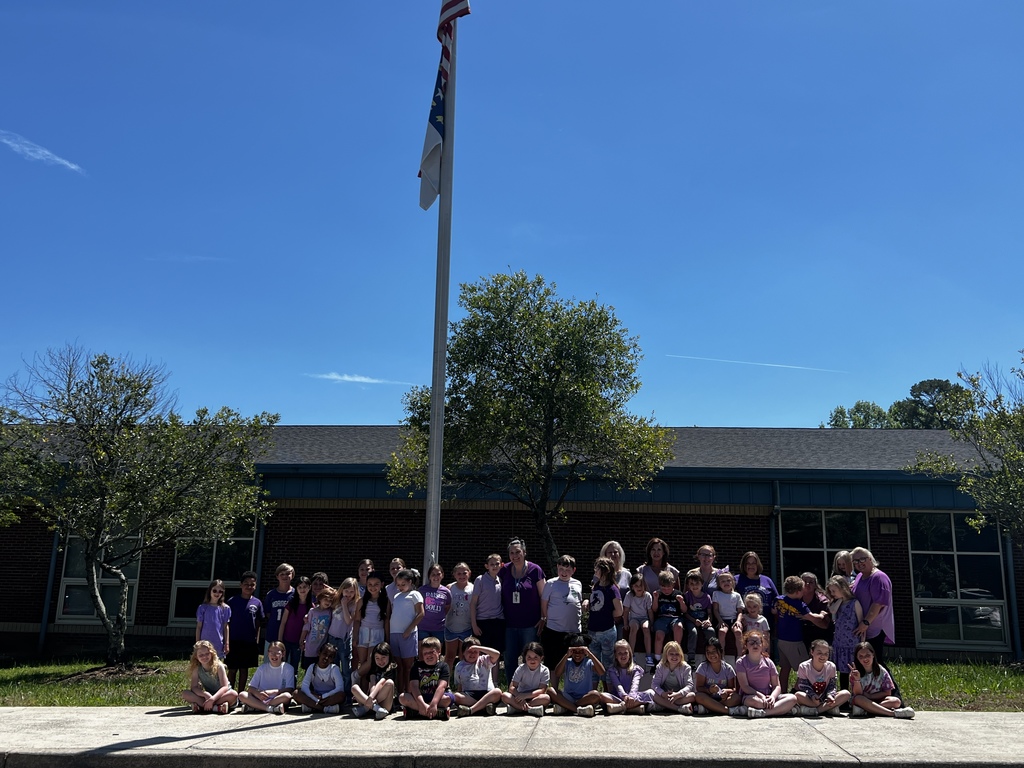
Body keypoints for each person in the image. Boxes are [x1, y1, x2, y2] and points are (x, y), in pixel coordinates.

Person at [500, 537, 545, 673]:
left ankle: (530, 689)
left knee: (530, 658)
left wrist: (544, 617)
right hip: (509, 624)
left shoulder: (535, 570)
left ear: (524, 552)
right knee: (509, 658)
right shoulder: (504, 570)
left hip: (530, 624)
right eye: (512, 553)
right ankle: (511, 689)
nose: (515, 556)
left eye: (518, 552)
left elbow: (544, 596)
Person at [735, 629, 798, 718]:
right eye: (751, 642)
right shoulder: (741, 662)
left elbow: (776, 685)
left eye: (757, 642)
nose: (755, 645)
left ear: (762, 645)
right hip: (751, 696)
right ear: (746, 645)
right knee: (756, 702)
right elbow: (745, 687)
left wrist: (772, 697)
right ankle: (781, 709)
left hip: (768, 695)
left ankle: (763, 713)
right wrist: (760, 695)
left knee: (792, 698)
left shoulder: (768, 662)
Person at [848, 641, 915, 719]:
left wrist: (871, 696)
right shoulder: (855, 672)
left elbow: (887, 692)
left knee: (896, 701)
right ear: (857, 658)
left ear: (873, 655)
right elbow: (857, 694)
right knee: (858, 699)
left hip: (877, 700)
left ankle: (867, 710)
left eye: (867, 655)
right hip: (862, 701)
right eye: (861, 656)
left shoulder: (881, 670)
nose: (865, 659)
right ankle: (892, 713)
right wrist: (857, 680)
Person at [851, 547, 894, 662]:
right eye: (855, 561)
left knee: (875, 663)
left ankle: (888, 681)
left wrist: (865, 622)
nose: (859, 563)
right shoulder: (860, 576)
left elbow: (878, 603)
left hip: (875, 627)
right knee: (865, 663)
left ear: (870, 559)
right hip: (863, 628)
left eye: (862, 559)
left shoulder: (878, 577)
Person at [540, 554, 583, 669]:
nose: (564, 573)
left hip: (574, 630)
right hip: (555, 629)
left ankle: (572, 685)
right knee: (553, 662)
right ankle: (554, 686)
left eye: (567, 570)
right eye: (561, 569)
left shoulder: (578, 584)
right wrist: (545, 618)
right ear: (557, 568)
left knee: (574, 663)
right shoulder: (551, 583)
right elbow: (544, 603)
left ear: (573, 570)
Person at [585, 557, 622, 686]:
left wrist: (607, 613)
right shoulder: (595, 586)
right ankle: (593, 692)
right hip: (593, 630)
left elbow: (619, 610)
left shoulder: (612, 589)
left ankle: (608, 691)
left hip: (606, 630)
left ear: (605, 571)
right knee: (593, 662)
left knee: (608, 663)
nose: (595, 571)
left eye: (597, 568)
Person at [469, 553, 505, 687]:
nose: (495, 566)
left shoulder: (501, 580)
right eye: (492, 564)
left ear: (501, 565)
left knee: (495, 655)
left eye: (497, 564)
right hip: (482, 622)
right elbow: (473, 603)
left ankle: (494, 683)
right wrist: (474, 624)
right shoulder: (480, 580)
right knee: (481, 655)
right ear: (486, 566)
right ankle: (479, 683)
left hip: (498, 621)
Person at [547, 635, 604, 717]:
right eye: (575, 651)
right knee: (550, 691)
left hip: (584, 698)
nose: (577, 654)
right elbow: (557, 673)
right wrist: (566, 655)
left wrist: (590, 654)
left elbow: (601, 672)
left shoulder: (588, 662)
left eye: (581, 651)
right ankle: (577, 710)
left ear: (585, 652)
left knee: (595, 695)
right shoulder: (567, 662)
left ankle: (567, 707)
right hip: (569, 696)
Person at [226, 570, 264, 693]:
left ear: (255, 586)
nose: (249, 586)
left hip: (248, 641)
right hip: (233, 640)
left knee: (244, 669)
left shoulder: (257, 603)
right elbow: (226, 622)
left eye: (252, 584)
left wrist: (256, 639)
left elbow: (258, 622)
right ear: (240, 585)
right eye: (246, 583)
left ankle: (240, 694)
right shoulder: (232, 601)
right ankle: (229, 693)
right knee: (232, 669)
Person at [389, 567, 425, 697]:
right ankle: (399, 693)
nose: (400, 587)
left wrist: (409, 630)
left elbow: (421, 613)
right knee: (398, 666)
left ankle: (409, 693)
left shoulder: (415, 594)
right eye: (398, 585)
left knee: (408, 666)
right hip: (394, 633)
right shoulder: (396, 595)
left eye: (403, 584)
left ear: (410, 582)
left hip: (408, 634)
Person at [400, 636, 454, 720]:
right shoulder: (416, 666)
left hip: (438, 697)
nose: (428, 655)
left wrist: (434, 703)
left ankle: (416, 712)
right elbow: (414, 686)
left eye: (431, 652)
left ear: (439, 652)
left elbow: (442, 686)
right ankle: (436, 712)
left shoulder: (444, 666)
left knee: (447, 699)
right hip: (421, 696)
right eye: (425, 653)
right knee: (402, 697)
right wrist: (421, 704)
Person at [775, 575, 811, 693]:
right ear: (797, 591)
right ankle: (796, 691)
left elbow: (773, 610)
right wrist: (822, 615)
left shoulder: (778, 599)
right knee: (806, 668)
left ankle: (782, 692)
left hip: (781, 640)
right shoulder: (800, 605)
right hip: (794, 641)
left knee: (785, 668)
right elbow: (811, 617)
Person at [794, 639, 849, 716]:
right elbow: (803, 685)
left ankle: (816, 711)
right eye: (819, 653)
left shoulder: (831, 666)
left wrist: (830, 695)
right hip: (811, 698)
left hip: (825, 698)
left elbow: (832, 685)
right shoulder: (804, 666)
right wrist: (812, 695)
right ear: (812, 652)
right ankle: (827, 708)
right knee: (798, 695)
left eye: (826, 654)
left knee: (846, 694)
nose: (823, 656)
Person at [826, 574, 863, 689]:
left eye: (834, 590)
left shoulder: (854, 603)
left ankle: (856, 694)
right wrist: (839, 599)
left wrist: (862, 642)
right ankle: (844, 694)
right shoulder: (838, 603)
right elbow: (832, 610)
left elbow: (861, 621)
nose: (832, 594)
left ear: (843, 589)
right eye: (831, 591)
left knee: (854, 669)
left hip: (852, 642)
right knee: (843, 671)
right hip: (840, 642)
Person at [181, 639, 237, 714]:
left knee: (233, 694)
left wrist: (213, 699)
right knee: (185, 693)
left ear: (212, 653)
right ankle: (216, 708)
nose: (204, 657)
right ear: (196, 657)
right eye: (201, 655)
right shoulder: (197, 668)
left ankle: (203, 707)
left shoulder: (219, 666)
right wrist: (204, 694)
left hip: (222, 695)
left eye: (207, 654)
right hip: (208, 696)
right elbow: (194, 687)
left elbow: (225, 687)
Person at [238, 641, 294, 714]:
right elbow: (251, 688)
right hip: (261, 698)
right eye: (271, 653)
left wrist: (274, 692)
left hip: (277, 698)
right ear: (268, 653)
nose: (274, 656)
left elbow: (289, 689)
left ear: (283, 654)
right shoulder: (262, 668)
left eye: (277, 653)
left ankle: (256, 707)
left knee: (287, 696)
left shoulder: (288, 668)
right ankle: (269, 708)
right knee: (242, 695)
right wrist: (258, 694)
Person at [452, 636, 502, 717]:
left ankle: (471, 710)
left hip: (487, 693)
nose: (472, 654)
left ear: (479, 652)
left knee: (498, 692)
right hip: (470, 695)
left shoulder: (484, 660)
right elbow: (459, 685)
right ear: (463, 652)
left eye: (475, 651)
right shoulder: (459, 666)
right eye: (469, 651)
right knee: (456, 696)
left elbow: (497, 654)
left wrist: (479, 647)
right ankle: (484, 707)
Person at [327, 577, 359, 697]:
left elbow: (348, 621)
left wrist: (345, 605)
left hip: (344, 640)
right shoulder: (336, 600)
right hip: (332, 638)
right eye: (346, 591)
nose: (349, 594)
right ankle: (334, 692)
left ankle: (346, 695)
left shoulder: (354, 604)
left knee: (346, 669)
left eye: (351, 592)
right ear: (342, 590)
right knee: (333, 667)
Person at [693, 638, 742, 715]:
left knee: (737, 698)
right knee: (698, 696)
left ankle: (710, 708)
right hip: (708, 697)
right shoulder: (702, 667)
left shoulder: (728, 668)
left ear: (720, 651)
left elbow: (733, 688)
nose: (711, 655)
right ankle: (728, 711)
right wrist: (709, 690)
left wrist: (726, 692)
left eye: (714, 651)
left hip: (723, 699)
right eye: (708, 652)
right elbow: (699, 687)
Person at [501, 641, 550, 716]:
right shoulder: (521, 669)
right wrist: (520, 697)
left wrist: (527, 695)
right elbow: (512, 687)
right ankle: (530, 709)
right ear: (525, 658)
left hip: (534, 697)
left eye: (535, 657)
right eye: (529, 657)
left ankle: (517, 709)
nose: (532, 660)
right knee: (505, 696)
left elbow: (542, 690)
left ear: (541, 658)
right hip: (519, 697)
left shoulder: (544, 670)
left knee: (546, 698)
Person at [604, 639, 654, 714]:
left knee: (651, 693)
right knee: (602, 695)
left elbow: (635, 684)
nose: (623, 655)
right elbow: (618, 685)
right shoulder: (613, 670)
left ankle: (621, 707)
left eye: (625, 653)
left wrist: (631, 696)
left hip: (633, 696)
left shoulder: (636, 669)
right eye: (620, 653)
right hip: (619, 697)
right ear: (615, 656)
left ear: (629, 654)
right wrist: (624, 696)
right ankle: (633, 708)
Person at [294, 642, 345, 714]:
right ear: (319, 653)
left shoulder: (334, 669)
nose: (326, 658)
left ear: (332, 659)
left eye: (330, 656)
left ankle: (312, 707)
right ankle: (324, 709)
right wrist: (315, 698)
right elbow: (304, 687)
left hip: (329, 697)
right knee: (296, 693)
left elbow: (340, 688)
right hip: (315, 697)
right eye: (324, 654)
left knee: (341, 696)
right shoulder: (312, 667)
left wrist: (323, 696)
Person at [350, 641, 396, 720]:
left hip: (385, 703)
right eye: (377, 658)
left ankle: (366, 708)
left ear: (389, 656)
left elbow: (381, 682)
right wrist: (371, 697)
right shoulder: (373, 668)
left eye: (383, 658)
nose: (380, 661)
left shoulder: (392, 667)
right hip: (371, 700)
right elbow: (372, 683)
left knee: (389, 683)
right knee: (354, 687)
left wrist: (371, 698)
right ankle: (375, 708)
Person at [355, 571, 389, 674]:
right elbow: (357, 620)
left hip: (377, 632)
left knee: (371, 662)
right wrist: (355, 637)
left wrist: (387, 638)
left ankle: (355, 675)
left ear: (382, 584)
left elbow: (386, 621)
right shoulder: (362, 601)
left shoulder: (386, 601)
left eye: (376, 584)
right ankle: (362, 688)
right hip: (363, 632)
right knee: (363, 662)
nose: (372, 587)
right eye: (370, 584)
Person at [650, 640, 696, 714]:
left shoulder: (686, 667)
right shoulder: (660, 666)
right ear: (666, 655)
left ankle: (663, 706)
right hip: (665, 695)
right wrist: (662, 693)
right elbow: (654, 684)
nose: (674, 656)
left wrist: (678, 694)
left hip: (679, 696)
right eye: (671, 654)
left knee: (692, 696)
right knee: (650, 693)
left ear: (681, 655)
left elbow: (689, 685)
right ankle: (678, 708)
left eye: (677, 654)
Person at [735, 552, 779, 625]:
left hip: (766, 622)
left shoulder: (767, 580)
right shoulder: (736, 580)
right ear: (744, 565)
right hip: (746, 623)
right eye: (748, 563)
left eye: (753, 563)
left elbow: (776, 599)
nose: (751, 566)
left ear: (758, 564)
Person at [278, 576, 312, 671]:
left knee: (294, 667)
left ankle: (292, 685)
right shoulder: (291, 603)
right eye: (299, 587)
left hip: (298, 642)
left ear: (309, 587)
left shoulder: (311, 606)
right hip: (286, 640)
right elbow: (283, 623)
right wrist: (280, 641)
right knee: (282, 665)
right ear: (296, 589)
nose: (302, 589)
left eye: (304, 587)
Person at [445, 562, 474, 670]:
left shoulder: (473, 588)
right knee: (450, 656)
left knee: (464, 656)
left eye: (464, 573)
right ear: (454, 574)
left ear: (469, 573)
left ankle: (462, 683)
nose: (462, 576)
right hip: (451, 627)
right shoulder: (449, 588)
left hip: (466, 627)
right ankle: (446, 683)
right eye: (459, 573)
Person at [682, 570, 714, 665]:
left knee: (711, 631)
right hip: (690, 620)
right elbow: (685, 613)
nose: (694, 586)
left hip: (703, 620)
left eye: (697, 583)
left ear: (702, 584)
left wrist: (708, 621)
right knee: (693, 632)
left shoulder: (707, 597)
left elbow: (709, 613)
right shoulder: (687, 596)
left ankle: (711, 654)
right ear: (688, 585)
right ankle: (691, 657)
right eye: (691, 584)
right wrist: (693, 620)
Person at [652, 570, 685, 660]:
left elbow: (684, 610)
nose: (666, 590)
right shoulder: (658, 594)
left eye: (668, 587)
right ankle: (657, 659)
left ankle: (677, 653)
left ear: (673, 585)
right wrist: (655, 599)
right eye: (663, 588)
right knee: (659, 635)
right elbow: (654, 609)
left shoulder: (678, 594)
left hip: (675, 618)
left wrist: (681, 602)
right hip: (662, 618)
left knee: (679, 627)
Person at [263, 563, 294, 657]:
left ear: (292, 575)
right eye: (282, 574)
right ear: (277, 576)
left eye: (287, 573)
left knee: (287, 665)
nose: (285, 576)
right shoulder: (271, 595)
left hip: (289, 634)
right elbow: (268, 613)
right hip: (272, 633)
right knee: (270, 663)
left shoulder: (296, 594)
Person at [299, 587, 334, 672]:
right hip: (310, 645)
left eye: (330, 600)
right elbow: (307, 626)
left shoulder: (330, 612)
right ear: (320, 598)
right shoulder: (312, 611)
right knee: (309, 669)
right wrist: (301, 639)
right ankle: (308, 684)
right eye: (326, 599)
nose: (328, 602)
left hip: (322, 646)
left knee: (320, 669)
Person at [623, 572, 654, 665]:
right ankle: (631, 655)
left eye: (641, 585)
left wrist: (652, 624)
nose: (639, 588)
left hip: (644, 618)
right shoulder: (629, 595)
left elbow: (650, 611)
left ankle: (648, 655)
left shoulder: (647, 596)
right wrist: (625, 623)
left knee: (646, 628)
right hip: (634, 618)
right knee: (633, 629)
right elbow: (626, 611)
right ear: (632, 586)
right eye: (636, 585)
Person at [195, 579, 230, 659]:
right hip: (204, 643)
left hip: (218, 644)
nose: (217, 593)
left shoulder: (225, 608)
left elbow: (225, 627)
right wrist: (197, 643)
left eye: (220, 591)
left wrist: (227, 643)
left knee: (217, 667)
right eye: (214, 590)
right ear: (210, 591)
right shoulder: (203, 608)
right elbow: (199, 627)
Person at [419, 563, 452, 644]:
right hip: (423, 626)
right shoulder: (421, 590)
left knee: (436, 652)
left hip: (438, 628)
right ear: (429, 576)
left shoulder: (446, 592)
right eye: (433, 574)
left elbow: (447, 607)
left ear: (442, 575)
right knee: (422, 652)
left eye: (438, 574)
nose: (436, 577)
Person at [711, 571, 743, 655]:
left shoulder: (737, 595)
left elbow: (740, 611)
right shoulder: (716, 594)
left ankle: (740, 655)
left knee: (738, 632)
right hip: (722, 620)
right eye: (723, 581)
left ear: (733, 582)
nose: (726, 583)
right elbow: (715, 610)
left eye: (728, 580)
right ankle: (722, 654)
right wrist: (720, 621)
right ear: (719, 584)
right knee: (722, 632)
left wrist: (738, 621)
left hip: (734, 620)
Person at [800, 571, 833, 648]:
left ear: (815, 585)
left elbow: (825, 625)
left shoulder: (822, 601)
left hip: (820, 639)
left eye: (811, 582)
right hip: (800, 639)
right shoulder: (795, 599)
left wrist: (806, 617)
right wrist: (815, 618)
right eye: (805, 582)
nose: (807, 584)